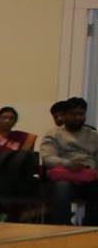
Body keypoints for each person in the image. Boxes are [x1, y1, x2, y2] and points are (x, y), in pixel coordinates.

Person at [39, 96, 96, 225]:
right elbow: (48, 158)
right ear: (64, 115)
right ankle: (63, 226)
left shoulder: (94, 135)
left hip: (89, 176)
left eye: (81, 114)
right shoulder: (53, 134)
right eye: (73, 114)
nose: (78, 118)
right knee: (62, 187)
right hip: (65, 175)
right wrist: (69, 164)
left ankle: (92, 228)